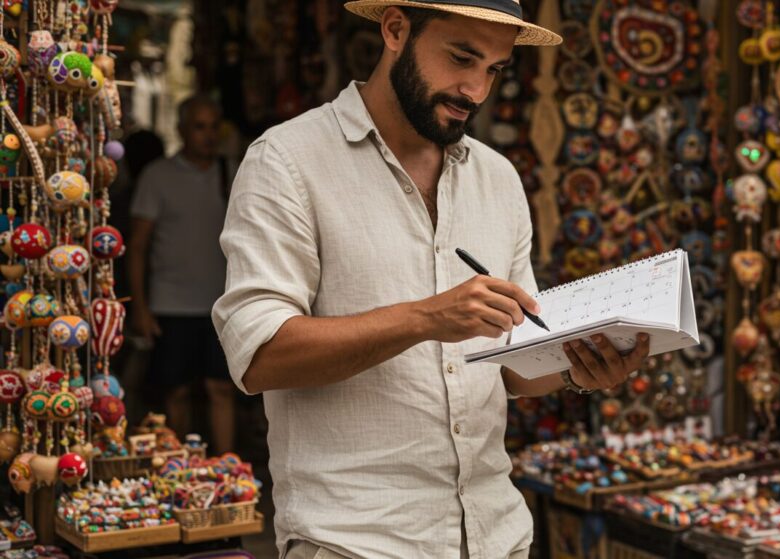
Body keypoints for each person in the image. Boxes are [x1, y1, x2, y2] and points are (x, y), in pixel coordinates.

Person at [212, 2, 650, 558]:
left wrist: (577, 365)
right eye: (462, 57)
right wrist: (424, 318)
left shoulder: (499, 179)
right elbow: (259, 355)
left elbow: (513, 368)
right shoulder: (288, 161)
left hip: (495, 536)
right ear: (395, 29)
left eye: (494, 68)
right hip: (356, 543)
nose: (475, 89)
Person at [129, 95, 236, 455]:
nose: (208, 136)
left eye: (213, 127)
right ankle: (185, 468)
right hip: (170, 303)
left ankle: (227, 468)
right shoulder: (157, 177)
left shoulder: (232, 172)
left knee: (221, 387)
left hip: (222, 305)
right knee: (175, 391)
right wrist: (140, 308)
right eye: (199, 127)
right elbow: (138, 246)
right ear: (181, 131)